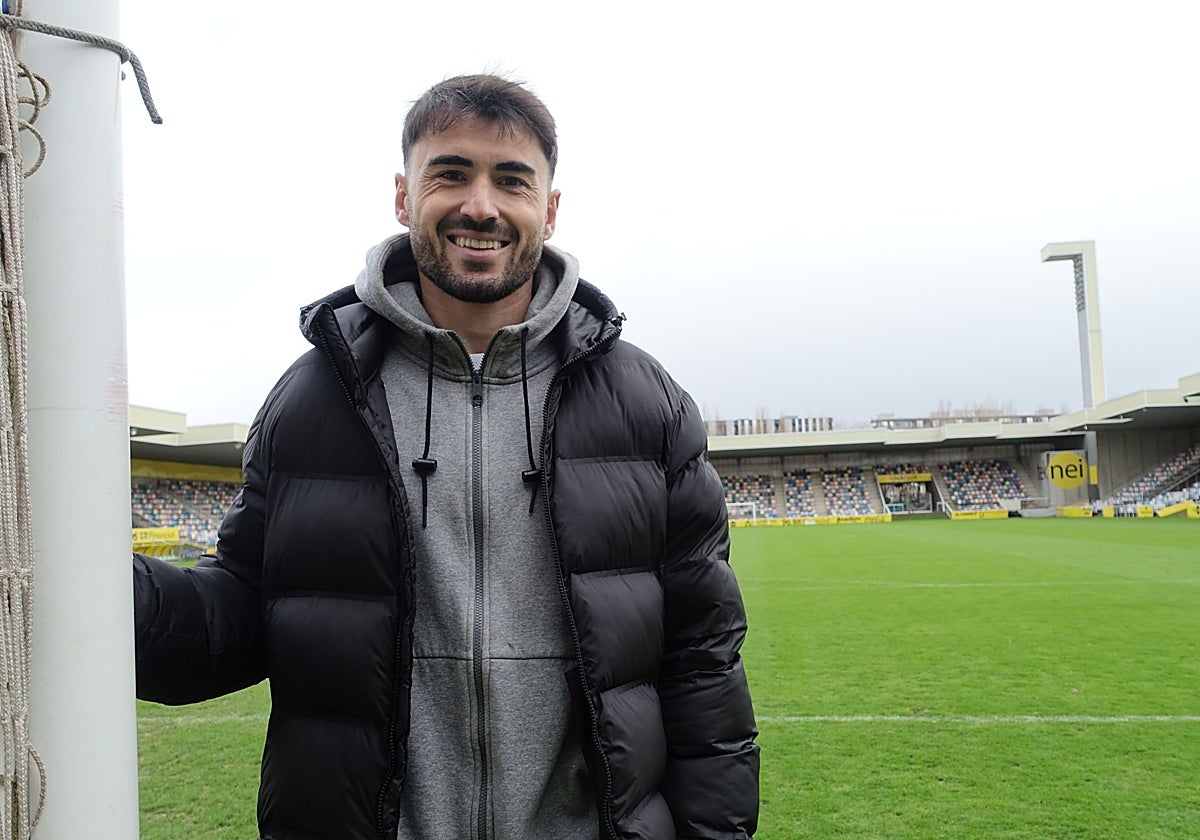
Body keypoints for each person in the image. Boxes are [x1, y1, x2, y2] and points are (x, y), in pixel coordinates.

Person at [133, 73, 759, 840]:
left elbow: (704, 660)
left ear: (550, 210)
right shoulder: (315, 396)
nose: (480, 206)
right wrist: (100, 588)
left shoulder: (646, 404)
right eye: (450, 173)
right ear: (404, 197)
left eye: (511, 180)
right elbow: (239, 616)